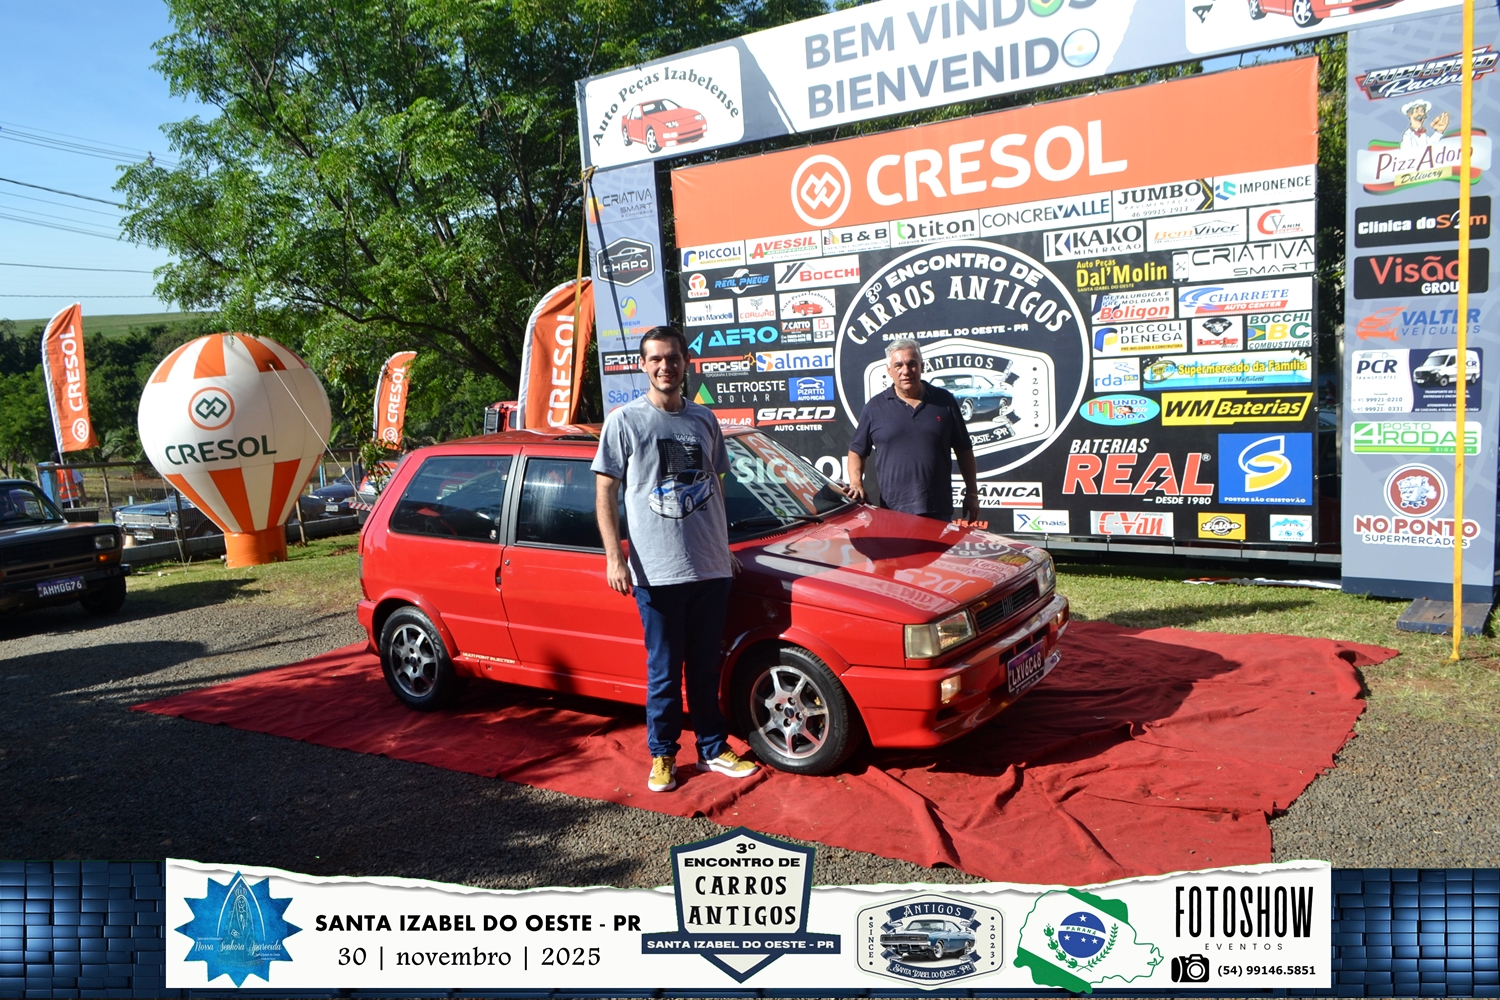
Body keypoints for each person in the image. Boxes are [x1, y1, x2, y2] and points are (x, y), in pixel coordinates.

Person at [593, 325, 759, 793]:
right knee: (665, 672)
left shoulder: (704, 419)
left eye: (673, 358)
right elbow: (605, 491)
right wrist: (614, 557)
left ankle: (712, 749)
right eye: (656, 359)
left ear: (686, 363)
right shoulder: (625, 421)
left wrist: (723, 547)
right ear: (643, 365)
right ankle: (663, 754)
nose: (665, 366)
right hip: (658, 573)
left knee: (705, 667)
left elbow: (715, 486)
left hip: (710, 569)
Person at [846, 338, 980, 521]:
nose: (906, 371)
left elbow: (964, 450)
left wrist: (972, 493)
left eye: (912, 364)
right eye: (898, 365)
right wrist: (855, 483)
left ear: (922, 366)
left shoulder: (944, 401)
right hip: (893, 511)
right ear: (889, 370)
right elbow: (856, 451)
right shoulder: (874, 407)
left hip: (938, 510)